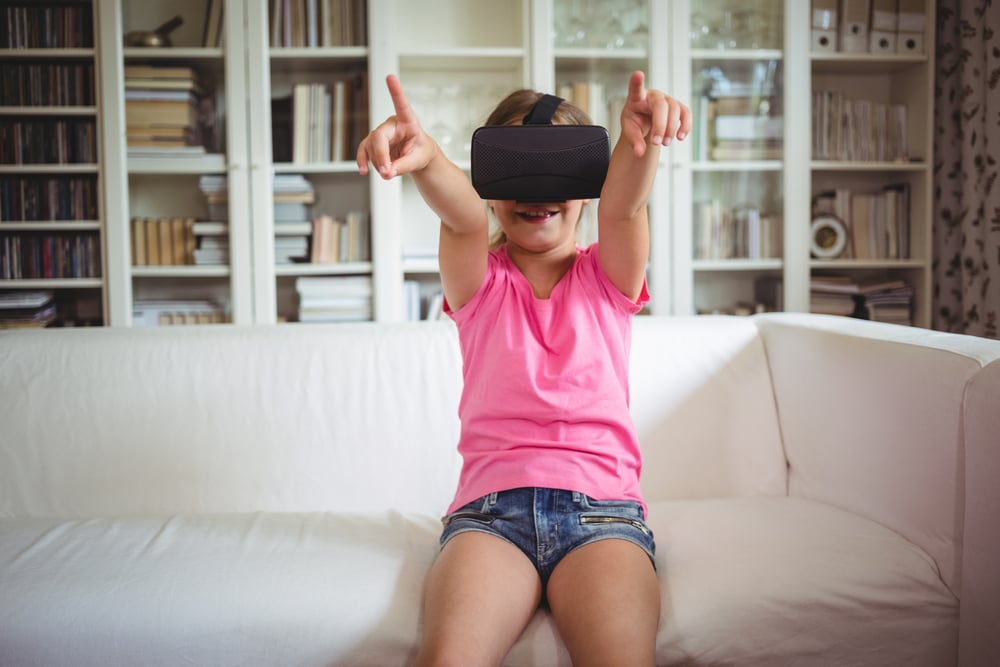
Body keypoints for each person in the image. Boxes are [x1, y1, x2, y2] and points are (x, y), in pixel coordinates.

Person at [357, 70, 691, 667]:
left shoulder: (607, 277)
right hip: (491, 516)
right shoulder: (480, 283)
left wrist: (637, 143)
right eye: (517, 171)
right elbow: (460, 218)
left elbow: (624, 208)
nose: (537, 191)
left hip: (602, 515)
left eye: (557, 171)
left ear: (586, 185)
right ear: (490, 185)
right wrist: (428, 158)